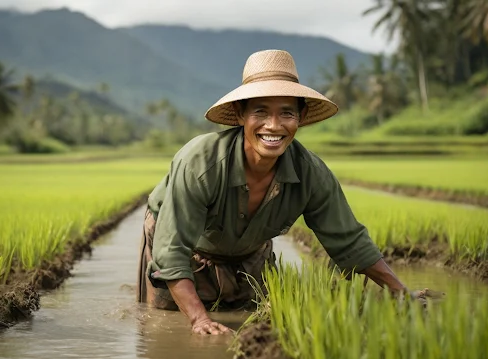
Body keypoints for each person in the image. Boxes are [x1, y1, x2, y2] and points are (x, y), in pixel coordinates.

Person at [136, 49, 424, 335]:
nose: (274, 126)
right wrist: (199, 319)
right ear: (240, 114)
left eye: (286, 113)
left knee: (249, 321)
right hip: (181, 244)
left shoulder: (311, 173)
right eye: (260, 111)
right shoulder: (201, 163)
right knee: (165, 325)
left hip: (249, 250)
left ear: (300, 117)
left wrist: (401, 293)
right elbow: (171, 253)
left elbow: (350, 242)